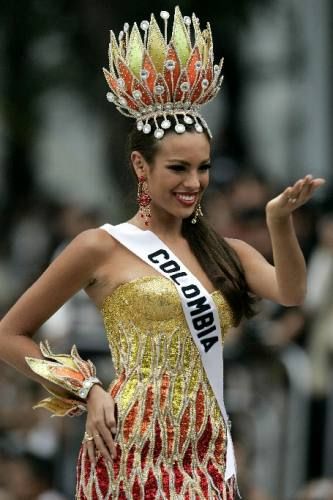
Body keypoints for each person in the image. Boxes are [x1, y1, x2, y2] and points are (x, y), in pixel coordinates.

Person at [0, 6, 325, 500]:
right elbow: (9, 335)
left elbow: (292, 291)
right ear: (140, 166)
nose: (194, 183)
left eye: (203, 168)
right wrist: (85, 390)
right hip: (127, 447)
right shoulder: (99, 247)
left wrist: (278, 222)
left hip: (207, 446)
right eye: (178, 167)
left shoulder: (224, 252)